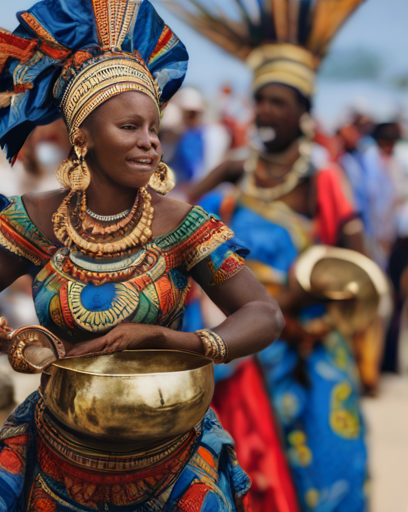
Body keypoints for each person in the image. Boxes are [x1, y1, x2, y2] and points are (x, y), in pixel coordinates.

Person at [0, 1, 284, 510]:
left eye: (154, 129)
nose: (150, 144)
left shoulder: (183, 224)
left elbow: (263, 314)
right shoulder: (34, 221)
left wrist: (174, 340)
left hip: (174, 462)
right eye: (130, 128)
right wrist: (3, 339)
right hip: (56, 457)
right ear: (82, 139)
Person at [169, 1, 370, 511]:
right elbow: (178, 229)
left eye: (279, 103)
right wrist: (217, 175)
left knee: (323, 464)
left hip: (307, 342)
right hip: (244, 346)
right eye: (260, 101)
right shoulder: (237, 178)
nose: (265, 112)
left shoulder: (322, 179)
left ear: (304, 110)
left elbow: (359, 267)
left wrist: (299, 296)